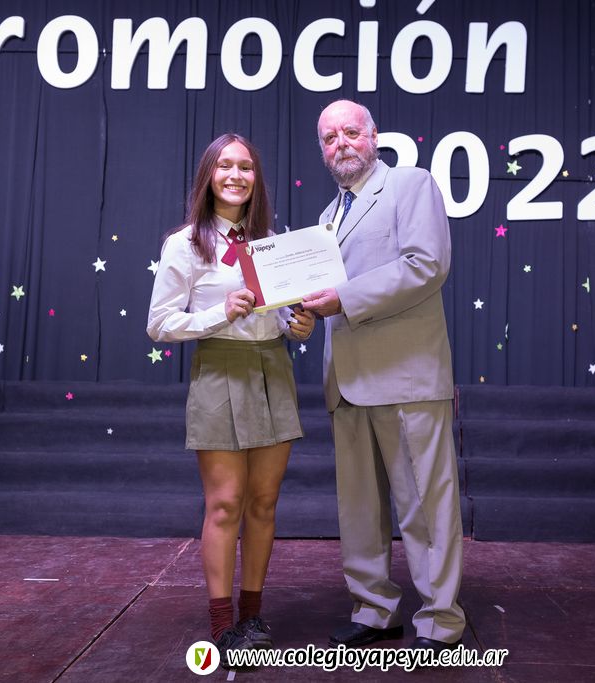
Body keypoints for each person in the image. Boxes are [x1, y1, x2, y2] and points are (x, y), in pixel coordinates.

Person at [301, 100, 465, 652]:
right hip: (346, 384)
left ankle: (440, 622)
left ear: (374, 136)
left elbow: (426, 265)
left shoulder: (411, 184)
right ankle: (374, 611)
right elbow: (324, 297)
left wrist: (342, 299)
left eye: (350, 132)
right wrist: (302, 313)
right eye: (329, 138)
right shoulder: (327, 218)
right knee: (360, 511)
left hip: (406, 378)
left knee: (426, 508)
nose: (341, 144)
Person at [146, 133, 314, 660]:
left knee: (263, 504)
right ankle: (222, 623)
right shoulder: (186, 244)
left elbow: (282, 314)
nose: (236, 175)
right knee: (225, 505)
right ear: (209, 176)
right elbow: (159, 324)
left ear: (256, 178)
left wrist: (297, 324)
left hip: (273, 371)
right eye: (225, 166)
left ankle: (252, 614)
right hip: (219, 369)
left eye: (246, 166)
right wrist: (220, 313)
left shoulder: (272, 241)